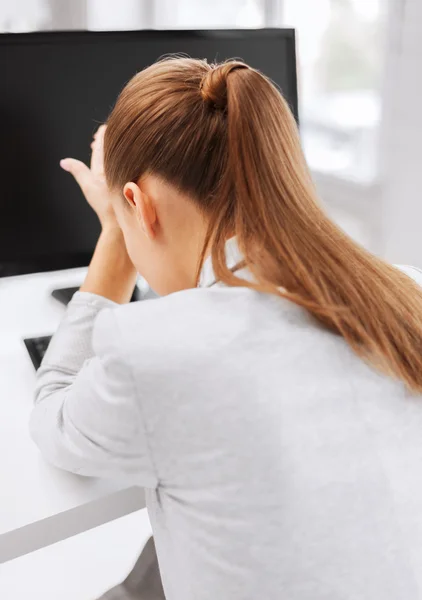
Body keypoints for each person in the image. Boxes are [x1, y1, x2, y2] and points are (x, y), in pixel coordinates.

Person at [30, 57, 422, 600]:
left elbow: (55, 414)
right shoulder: (405, 294)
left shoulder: (158, 351)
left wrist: (115, 235)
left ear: (138, 204)